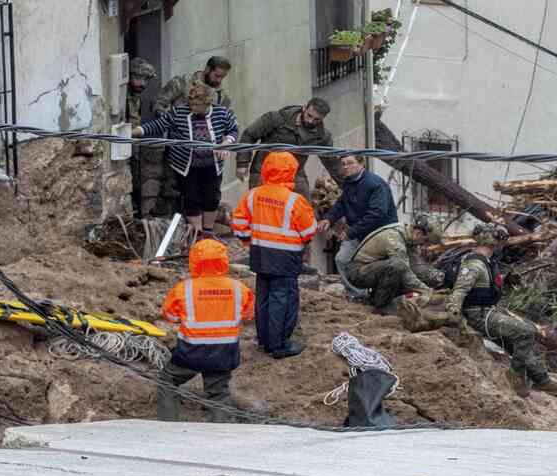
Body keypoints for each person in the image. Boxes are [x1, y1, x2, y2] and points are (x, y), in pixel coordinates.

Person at [444, 223, 557, 399]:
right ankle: (516, 378)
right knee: (525, 332)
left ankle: (541, 378)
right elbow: (460, 290)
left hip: (488, 311)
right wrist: (455, 317)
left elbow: (483, 285)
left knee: (521, 337)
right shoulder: (474, 263)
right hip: (478, 315)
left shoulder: (486, 261)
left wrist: (505, 280)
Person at [230, 151, 319, 359]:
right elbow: (308, 231)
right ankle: (279, 345)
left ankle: (264, 341)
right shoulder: (294, 200)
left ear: (266, 170)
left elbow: (240, 224)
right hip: (286, 257)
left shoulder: (253, 194)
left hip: (260, 253)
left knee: (263, 296)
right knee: (283, 299)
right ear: (291, 172)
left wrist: (247, 240)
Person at [157, 238, 255, 423]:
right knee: (218, 393)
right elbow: (249, 315)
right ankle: (222, 433)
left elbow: (170, 315)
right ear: (223, 260)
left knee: (167, 381)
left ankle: (166, 426)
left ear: (194, 261)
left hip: (191, 351)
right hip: (224, 352)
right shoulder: (238, 289)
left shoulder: (184, 289)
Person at [134, 84, 239, 237]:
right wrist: (136, 131)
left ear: (207, 103)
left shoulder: (221, 113)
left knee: (212, 197)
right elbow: (158, 125)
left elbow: (233, 129)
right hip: (186, 165)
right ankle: (196, 233)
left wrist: (227, 143)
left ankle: (208, 231)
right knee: (191, 197)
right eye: (191, 104)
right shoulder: (179, 112)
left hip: (212, 165)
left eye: (197, 105)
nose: (193, 107)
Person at [235, 98, 339, 199]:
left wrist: (349, 185)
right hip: (264, 171)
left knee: (304, 206)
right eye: (309, 115)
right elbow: (249, 135)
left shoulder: (322, 136)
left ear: (323, 118)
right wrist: (242, 163)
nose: (311, 121)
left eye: (316, 120)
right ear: (304, 108)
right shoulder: (277, 119)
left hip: (295, 174)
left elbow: (332, 163)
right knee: (263, 207)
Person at [322, 154, 399, 288]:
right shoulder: (349, 182)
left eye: (350, 163)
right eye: (344, 164)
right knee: (342, 259)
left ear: (361, 163)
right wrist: (329, 218)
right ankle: (357, 294)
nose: (346, 167)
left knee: (375, 266)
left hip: (379, 234)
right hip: (358, 233)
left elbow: (377, 213)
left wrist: (351, 232)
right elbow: (342, 203)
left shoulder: (375, 184)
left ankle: (377, 295)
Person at [344, 212, 431, 311]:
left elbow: (417, 267)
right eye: (425, 241)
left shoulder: (409, 237)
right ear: (418, 233)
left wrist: (436, 279)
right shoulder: (394, 236)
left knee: (402, 272)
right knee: (398, 267)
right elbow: (404, 270)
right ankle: (381, 306)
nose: (424, 245)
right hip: (357, 272)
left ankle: (374, 300)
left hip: (372, 268)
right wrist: (425, 290)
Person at [126, 57, 157, 218]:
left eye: (145, 80)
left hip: (135, 145)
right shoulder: (124, 95)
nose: (142, 84)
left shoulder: (136, 94)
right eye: (138, 78)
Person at [156, 55, 233, 113]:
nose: (219, 80)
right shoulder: (183, 82)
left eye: (222, 77)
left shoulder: (221, 96)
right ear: (207, 69)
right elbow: (159, 104)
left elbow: (227, 119)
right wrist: (172, 121)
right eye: (217, 76)